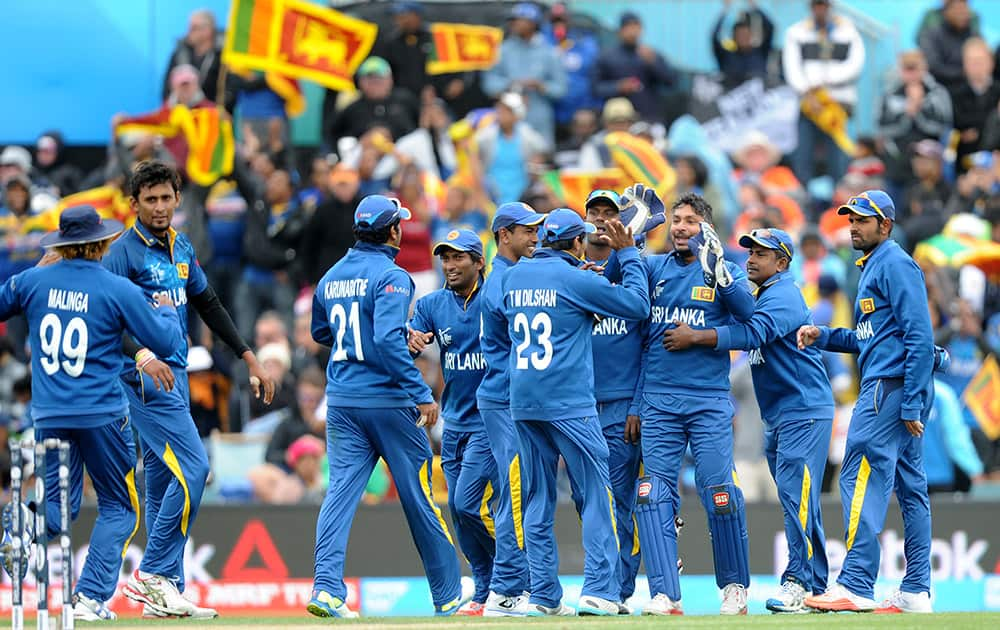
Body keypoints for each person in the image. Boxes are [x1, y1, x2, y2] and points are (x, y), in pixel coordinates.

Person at [103, 161, 275, 618]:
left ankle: (167, 593)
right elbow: (106, 314)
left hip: (175, 372)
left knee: (163, 481)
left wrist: (247, 354)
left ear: (178, 199)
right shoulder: (122, 252)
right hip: (141, 373)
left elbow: (207, 301)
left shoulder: (181, 246)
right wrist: (141, 354)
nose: (160, 207)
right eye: (150, 199)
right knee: (195, 468)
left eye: (166, 198)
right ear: (134, 203)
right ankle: (156, 573)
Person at [0, 206, 183, 621]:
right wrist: (168, 307)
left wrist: (35, 270)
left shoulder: (33, 281)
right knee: (120, 507)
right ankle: (89, 598)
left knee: (56, 509)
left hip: (48, 415)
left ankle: (19, 532)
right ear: (102, 242)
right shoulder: (115, 287)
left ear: (61, 245)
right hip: (100, 414)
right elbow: (165, 341)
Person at [308, 194, 473, 618]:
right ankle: (449, 594)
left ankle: (326, 588)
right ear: (394, 231)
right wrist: (419, 390)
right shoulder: (394, 277)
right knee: (420, 496)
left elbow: (322, 332)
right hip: (389, 401)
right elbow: (383, 338)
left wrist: (375, 339)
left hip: (342, 400)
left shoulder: (330, 277)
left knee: (340, 494)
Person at [663, 228, 833, 613]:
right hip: (784, 415)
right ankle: (816, 587)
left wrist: (697, 337)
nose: (752, 258)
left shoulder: (784, 294)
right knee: (801, 501)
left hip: (802, 413)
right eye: (751, 252)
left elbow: (754, 334)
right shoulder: (762, 295)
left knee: (796, 501)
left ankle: (798, 582)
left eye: (762, 253)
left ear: (783, 263)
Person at [502, 208, 649, 616]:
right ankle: (600, 589)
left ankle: (544, 595)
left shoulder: (516, 275)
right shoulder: (576, 279)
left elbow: (503, 320)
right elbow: (636, 305)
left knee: (537, 497)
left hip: (523, 400)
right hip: (568, 402)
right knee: (598, 495)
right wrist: (630, 255)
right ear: (576, 243)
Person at [798, 190, 935, 614]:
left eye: (862, 219)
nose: (853, 226)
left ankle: (856, 582)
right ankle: (916, 591)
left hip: (888, 390)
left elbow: (920, 337)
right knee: (911, 489)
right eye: (851, 219)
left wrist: (911, 402)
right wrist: (826, 336)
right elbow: (869, 338)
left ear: (885, 225)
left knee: (858, 476)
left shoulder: (893, 263)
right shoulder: (874, 266)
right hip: (896, 386)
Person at [630, 192, 755, 616]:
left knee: (721, 493)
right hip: (658, 402)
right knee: (650, 494)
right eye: (676, 220)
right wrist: (631, 232)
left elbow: (751, 323)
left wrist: (701, 335)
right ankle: (666, 594)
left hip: (708, 402)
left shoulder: (723, 271)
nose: (680, 227)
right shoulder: (652, 268)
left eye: (689, 220)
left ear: (707, 228)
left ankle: (735, 588)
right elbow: (615, 277)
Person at [408, 229, 493, 615]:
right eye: (445, 258)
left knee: (467, 503)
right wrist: (409, 337)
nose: (450, 265)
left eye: (459, 258)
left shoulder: (496, 297)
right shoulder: (433, 304)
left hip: (490, 420)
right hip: (454, 421)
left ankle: (512, 578)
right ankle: (485, 586)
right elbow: (411, 333)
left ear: (479, 262)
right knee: (459, 511)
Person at [476, 201, 544, 615]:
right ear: (505, 235)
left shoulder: (508, 274)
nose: (535, 238)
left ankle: (521, 587)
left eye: (538, 231)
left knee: (517, 489)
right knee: (514, 490)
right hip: (504, 396)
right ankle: (506, 589)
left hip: (508, 396)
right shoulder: (503, 278)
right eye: (527, 231)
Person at [582, 190, 644, 605]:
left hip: (622, 406)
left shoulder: (640, 269)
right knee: (587, 501)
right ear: (583, 219)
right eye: (596, 213)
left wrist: (639, 405)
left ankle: (616, 590)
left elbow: (652, 347)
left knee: (617, 501)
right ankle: (606, 583)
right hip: (579, 406)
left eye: (611, 213)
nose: (603, 220)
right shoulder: (572, 273)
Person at [783, 0, 865, 184]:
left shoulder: (848, 31)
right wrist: (807, 90)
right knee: (804, 155)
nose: (820, 9)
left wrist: (823, 81)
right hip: (809, 105)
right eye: (816, 5)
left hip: (838, 103)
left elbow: (855, 65)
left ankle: (841, 197)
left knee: (838, 155)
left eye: (824, 5)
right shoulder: (796, 32)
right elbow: (792, 68)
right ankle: (804, 198)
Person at [482, 3, 568, 148]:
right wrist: (510, 84)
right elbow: (488, 84)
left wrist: (540, 85)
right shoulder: (503, 50)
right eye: (512, 21)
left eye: (519, 20)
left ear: (533, 23)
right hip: (508, 120)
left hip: (539, 118)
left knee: (541, 161)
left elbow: (561, 89)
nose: (514, 24)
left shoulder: (549, 52)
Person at [593, 12, 676, 122]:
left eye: (636, 27)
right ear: (620, 31)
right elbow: (595, 88)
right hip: (618, 121)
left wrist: (654, 63)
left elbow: (671, 82)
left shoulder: (650, 54)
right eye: (628, 27)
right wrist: (618, 87)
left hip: (649, 119)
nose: (632, 32)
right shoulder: (607, 57)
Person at [712, 0, 775, 82]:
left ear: (750, 36)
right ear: (734, 37)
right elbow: (714, 37)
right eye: (740, 35)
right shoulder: (726, 56)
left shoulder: (761, 52)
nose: (743, 38)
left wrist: (754, 7)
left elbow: (770, 28)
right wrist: (726, 9)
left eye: (746, 35)